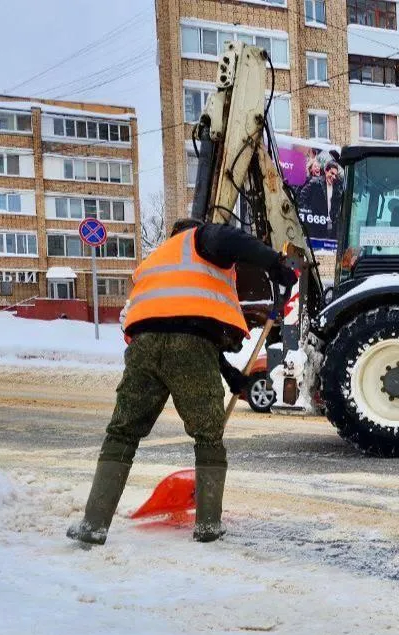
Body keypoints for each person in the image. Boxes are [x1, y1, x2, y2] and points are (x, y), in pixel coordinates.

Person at [66, 219, 297, 545]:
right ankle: (207, 526)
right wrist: (275, 264)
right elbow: (191, 334)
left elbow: (180, 321)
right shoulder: (201, 239)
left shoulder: (155, 260)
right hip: (190, 346)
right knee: (208, 436)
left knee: (122, 432)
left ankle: (94, 523)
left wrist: (231, 377)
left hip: (144, 346)